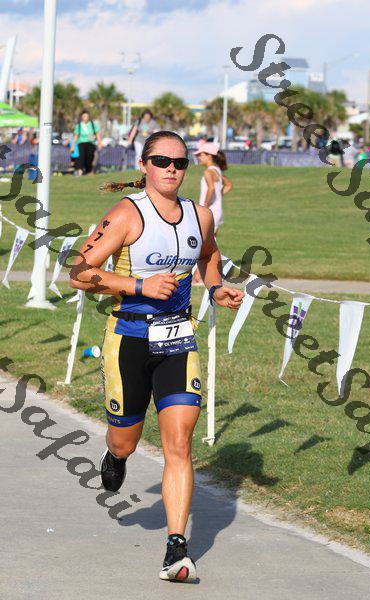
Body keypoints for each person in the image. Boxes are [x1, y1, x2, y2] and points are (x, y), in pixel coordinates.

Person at [69, 130, 244, 583]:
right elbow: (79, 273)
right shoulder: (127, 214)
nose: (171, 169)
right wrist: (138, 285)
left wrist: (217, 287)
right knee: (125, 440)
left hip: (178, 340)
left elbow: (209, 255)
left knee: (179, 444)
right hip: (128, 340)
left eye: (180, 162)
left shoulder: (200, 215)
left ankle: (176, 548)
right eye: (162, 161)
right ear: (144, 165)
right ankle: (116, 455)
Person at [191, 142, 232, 284]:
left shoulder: (208, 172)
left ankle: (201, 276)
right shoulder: (217, 171)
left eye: (200, 155)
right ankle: (200, 275)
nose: (198, 157)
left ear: (209, 156)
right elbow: (229, 185)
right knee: (209, 242)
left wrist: (205, 205)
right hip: (217, 211)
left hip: (209, 212)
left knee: (204, 244)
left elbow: (211, 189)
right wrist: (218, 198)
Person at [70, 110, 102, 176]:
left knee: (89, 157)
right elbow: (75, 137)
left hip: (90, 143)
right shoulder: (79, 126)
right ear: (81, 117)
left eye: (86, 116)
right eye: (84, 116)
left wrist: (99, 143)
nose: (85, 118)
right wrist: (72, 146)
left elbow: (97, 134)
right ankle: (80, 173)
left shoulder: (93, 124)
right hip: (81, 143)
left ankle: (89, 172)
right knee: (81, 158)